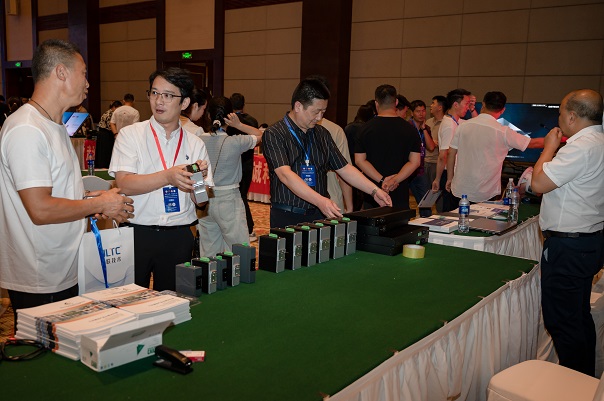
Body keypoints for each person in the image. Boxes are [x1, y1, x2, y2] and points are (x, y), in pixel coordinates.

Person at [0, 39, 134, 323]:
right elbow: (40, 209)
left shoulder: (55, 125)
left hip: (64, 264)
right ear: (61, 72)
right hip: (41, 274)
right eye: (83, 73)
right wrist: (98, 204)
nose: (88, 83)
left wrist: (94, 201)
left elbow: (57, 193)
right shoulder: (27, 129)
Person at [109, 67, 213, 291]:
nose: (159, 101)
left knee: (172, 303)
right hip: (136, 233)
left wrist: (197, 181)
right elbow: (124, 183)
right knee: (130, 301)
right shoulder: (130, 135)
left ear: (184, 103)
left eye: (168, 95)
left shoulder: (195, 143)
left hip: (178, 235)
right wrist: (168, 176)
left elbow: (202, 202)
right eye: (154, 93)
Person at [531, 89, 604, 376]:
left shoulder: (580, 147)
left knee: (562, 322)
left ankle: (573, 383)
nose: (559, 119)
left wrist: (549, 147)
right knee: (578, 317)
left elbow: (538, 184)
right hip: (589, 241)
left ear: (572, 116)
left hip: (569, 247)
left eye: (560, 113)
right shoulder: (599, 142)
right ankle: (584, 378)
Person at [263, 77, 391, 228]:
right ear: (298, 106)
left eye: (323, 112)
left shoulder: (322, 133)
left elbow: (344, 168)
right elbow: (285, 175)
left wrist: (374, 191)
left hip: (319, 214)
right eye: (316, 112)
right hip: (288, 215)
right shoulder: (275, 133)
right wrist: (320, 200)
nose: (319, 118)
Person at [445, 91, 544, 203]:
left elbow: (451, 153)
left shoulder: (463, 126)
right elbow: (533, 143)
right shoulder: (503, 132)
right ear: (502, 110)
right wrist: (556, 139)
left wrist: (449, 178)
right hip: (486, 194)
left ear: (483, 104)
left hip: (459, 189)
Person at [198, 96, 262, 257]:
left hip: (204, 198)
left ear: (208, 115)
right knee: (238, 250)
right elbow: (261, 135)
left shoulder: (198, 140)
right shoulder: (236, 141)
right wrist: (238, 125)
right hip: (229, 198)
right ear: (230, 117)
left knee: (209, 252)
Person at [355, 84, 420, 210]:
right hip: (399, 190)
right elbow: (415, 162)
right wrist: (394, 180)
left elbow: (359, 160)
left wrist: (382, 180)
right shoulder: (410, 130)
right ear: (396, 102)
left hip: (373, 191)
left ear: (376, 103)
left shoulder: (364, 129)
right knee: (399, 221)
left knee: (373, 220)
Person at [431, 88, 471, 212]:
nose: (468, 107)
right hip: (449, 174)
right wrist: (439, 179)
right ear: (455, 104)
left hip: (454, 174)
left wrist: (473, 109)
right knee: (449, 211)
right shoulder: (449, 125)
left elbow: (477, 123)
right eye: (466, 104)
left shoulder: (457, 122)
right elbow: (444, 155)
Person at [229, 92, 259, 242]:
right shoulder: (252, 121)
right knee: (242, 196)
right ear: (243, 104)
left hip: (234, 165)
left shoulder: (229, 122)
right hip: (248, 164)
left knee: (239, 197)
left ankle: (248, 227)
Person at [408, 99, 436, 216]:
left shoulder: (426, 128)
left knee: (426, 203)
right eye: (418, 111)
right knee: (404, 204)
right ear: (412, 113)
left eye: (423, 111)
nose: (421, 114)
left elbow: (431, 147)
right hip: (407, 169)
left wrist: (424, 129)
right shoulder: (408, 127)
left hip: (420, 170)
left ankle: (426, 221)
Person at [425, 95, 446, 209]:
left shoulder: (446, 123)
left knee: (438, 195)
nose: (431, 106)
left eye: (433, 103)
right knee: (425, 194)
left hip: (437, 163)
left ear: (440, 107)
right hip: (425, 161)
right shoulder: (428, 122)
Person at [96, 100, 122, 168]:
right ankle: (105, 165)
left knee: (104, 151)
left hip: (104, 134)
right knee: (106, 151)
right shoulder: (111, 113)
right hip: (105, 134)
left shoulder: (109, 112)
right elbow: (110, 125)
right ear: (114, 107)